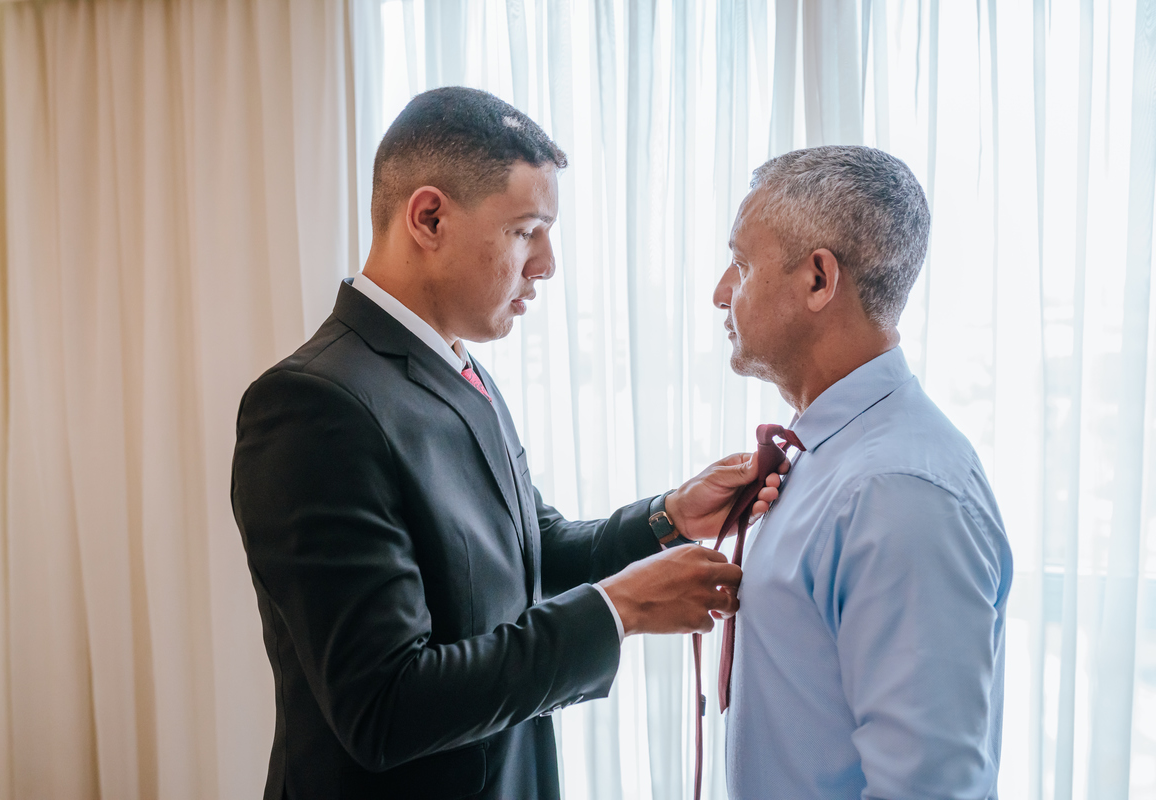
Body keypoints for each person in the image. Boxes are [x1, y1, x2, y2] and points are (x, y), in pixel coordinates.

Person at [231, 86, 780, 800]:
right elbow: (385, 706)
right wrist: (619, 611)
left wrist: (670, 515)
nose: (546, 264)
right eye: (527, 231)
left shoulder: (460, 369)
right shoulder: (311, 406)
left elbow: (529, 552)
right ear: (428, 218)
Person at [714, 146, 1013, 799]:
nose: (720, 294)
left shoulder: (897, 493)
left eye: (740, 265)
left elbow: (928, 790)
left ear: (819, 279)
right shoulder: (830, 457)